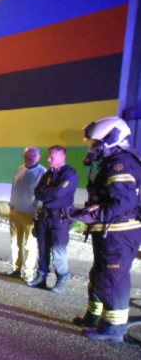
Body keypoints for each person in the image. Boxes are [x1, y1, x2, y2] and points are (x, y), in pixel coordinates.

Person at [72, 117, 141, 342]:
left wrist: (94, 215)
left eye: (96, 142)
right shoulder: (111, 162)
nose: (92, 147)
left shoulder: (121, 163)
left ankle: (113, 328)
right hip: (110, 230)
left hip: (120, 232)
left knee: (113, 276)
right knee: (100, 273)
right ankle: (93, 317)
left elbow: (123, 202)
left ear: (111, 140)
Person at [26, 145, 78, 293]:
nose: (48, 159)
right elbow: (37, 192)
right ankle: (41, 276)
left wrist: (47, 192)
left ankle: (62, 278)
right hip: (45, 217)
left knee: (58, 251)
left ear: (63, 158)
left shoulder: (70, 174)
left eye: (52, 157)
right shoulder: (48, 174)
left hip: (59, 219)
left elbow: (58, 193)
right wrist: (49, 192)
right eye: (48, 156)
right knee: (43, 249)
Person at [5, 146, 46, 281]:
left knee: (30, 245)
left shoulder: (43, 173)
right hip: (15, 212)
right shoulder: (20, 168)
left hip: (31, 215)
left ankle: (28, 272)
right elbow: (14, 187)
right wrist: (11, 205)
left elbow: (44, 195)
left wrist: (39, 212)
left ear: (38, 157)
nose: (28, 159)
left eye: (32, 156)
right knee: (15, 243)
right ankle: (16, 268)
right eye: (26, 156)